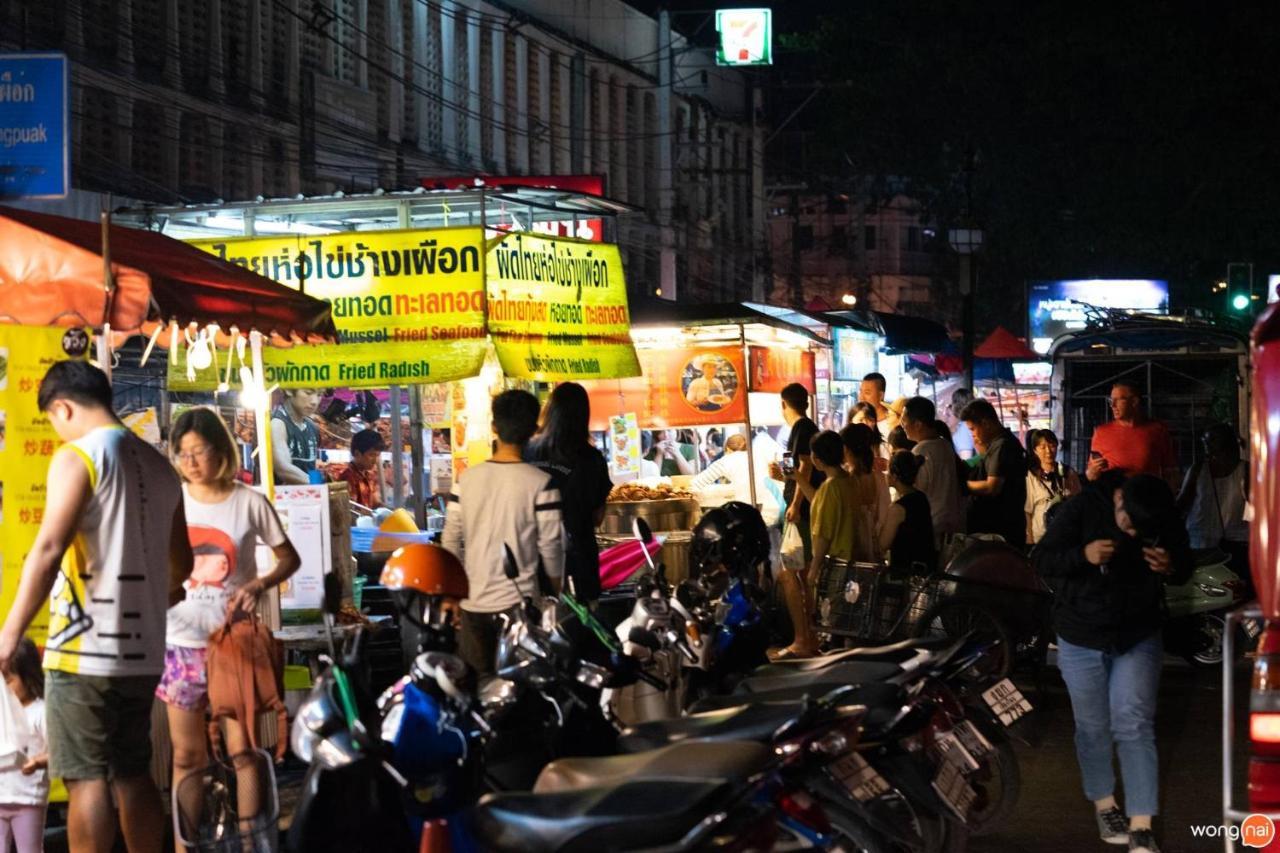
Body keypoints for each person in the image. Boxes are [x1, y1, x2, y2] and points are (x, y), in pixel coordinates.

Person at [0, 360, 193, 853]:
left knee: (86, 778)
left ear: (62, 407)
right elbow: (181, 568)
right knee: (131, 771)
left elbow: (47, 551)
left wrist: (8, 635)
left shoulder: (79, 456)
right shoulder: (159, 465)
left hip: (83, 652)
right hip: (144, 653)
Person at [1033, 473, 1192, 853]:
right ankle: (1105, 805)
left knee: (1134, 722)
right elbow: (1040, 559)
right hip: (1080, 634)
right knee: (1092, 726)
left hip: (1137, 633)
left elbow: (1185, 561)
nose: (1133, 534)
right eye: (1128, 524)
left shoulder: (1158, 510)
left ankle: (1141, 826)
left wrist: (1169, 565)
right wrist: (1082, 556)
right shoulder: (1083, 507)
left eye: (1142, 530)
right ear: (1118, 500)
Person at [160, 408, 301, 835]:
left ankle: (247, 843)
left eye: (198, 451)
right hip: (179, 641)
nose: (191, 463)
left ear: (220, 451)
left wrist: (258, 585)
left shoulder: (250, 502)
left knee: (243, 752)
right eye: (182, 455)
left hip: (232, 644)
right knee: (186, 757)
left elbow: (289, 559)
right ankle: (186, 846)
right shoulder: (172, 499)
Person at [442, 390, 564, 676]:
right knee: (519, 688)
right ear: (534, 431)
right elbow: (551, 548)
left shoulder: (466, 480)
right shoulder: (542, 484)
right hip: (519, 607)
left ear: (494, 426)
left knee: (478, 692)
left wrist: (451, 595)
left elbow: (449, 539)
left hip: (472, 604)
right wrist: (555, 592)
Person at [774, 431, 877, 658]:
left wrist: (814, 569)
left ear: (818, 460)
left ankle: (836, 664)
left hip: (835, 564)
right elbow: (817, 500)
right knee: (844, 621)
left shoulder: (832, 488)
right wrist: (797, 477)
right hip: (851, 560)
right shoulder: (846, 481)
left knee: (834, 623)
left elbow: (823, 535)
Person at [526, 382, 613, 603]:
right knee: (581, 628)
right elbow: (597, 517)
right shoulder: (592, 458)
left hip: (533, 561)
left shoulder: (527, 451)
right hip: (579, 561)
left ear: (550, 411)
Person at [1177, 423, 1249, 567]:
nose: (1209, 452)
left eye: (1213, 445)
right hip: (1200, 543)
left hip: (1235, 542)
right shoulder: (1198, 470)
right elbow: (1182, 504)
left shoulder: (1246, 471)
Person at [960, 398, 1028, 546]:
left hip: (1000, 532)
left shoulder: (1002, 446)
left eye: (973, 429)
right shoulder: (998, 444)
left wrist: (963, 486)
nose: (972, 435)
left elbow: (992, 487)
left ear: (986, 423)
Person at [0, 640, 47, 853]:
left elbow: (58, 751)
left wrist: (38, 761)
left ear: (27, 676)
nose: (4, 688)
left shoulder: (40, 712)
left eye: (8, 681)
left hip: (28, 800)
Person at [1088, 380, 1179, 490]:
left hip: (1145, 498)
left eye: (1118, 400)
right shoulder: (1101, 432)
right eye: (1111, 400)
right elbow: (1091, 474)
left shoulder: (1158, 430)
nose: (1113, 405)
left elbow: (1170, 471)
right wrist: (1091, 472)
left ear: (1134, 402)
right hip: (1111, 498)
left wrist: (1170, 500)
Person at [769, 383, 824, 564]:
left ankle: (805, 593)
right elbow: (795, 471)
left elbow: (805, 466)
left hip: (804, 510)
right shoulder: (799, 428)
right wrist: (780, 476)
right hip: (801, 506)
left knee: (801, 564)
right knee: (797, 564)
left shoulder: (803, 427)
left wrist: (796, 504)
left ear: (783, 404)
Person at [900, 397, 963, 542]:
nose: (901, 424)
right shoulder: (945, 445)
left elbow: (916, 490)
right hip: (951, 526)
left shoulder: (921, 451)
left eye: (904, 420)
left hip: (931, 527)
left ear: (918, 424)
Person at [691, 433, 784, 528]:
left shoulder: (726, 460)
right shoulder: (760, 455)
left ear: (727, 449)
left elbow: (696, 483)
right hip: (776, 511)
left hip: (751, 514)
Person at [880, 451, 937, 575]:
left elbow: (883, 545)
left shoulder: (898, 508)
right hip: (925, 571)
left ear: (894, 476)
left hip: (905, 574)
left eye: (888, 472)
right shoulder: (921, 497)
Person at [1025, 428, 1083, 545]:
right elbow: (1028, 511)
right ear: (1035, 450)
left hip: (1066, 536)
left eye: (1052, 446)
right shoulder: (1031, 476)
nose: (1048, 451)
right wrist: (1029, 540)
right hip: (1041, 538)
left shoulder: (1068, 473)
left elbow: (1079, 504)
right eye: (1042, 447)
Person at [840, 423, 891, 541]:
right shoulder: (880, 479)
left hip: (849, 546)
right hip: (874, 546)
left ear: (846, 449)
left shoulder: (845, 479)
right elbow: (884, 515)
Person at [271, 388, 322, 484]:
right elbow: (284, 470)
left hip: (308, 496)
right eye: (308, 392)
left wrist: (321, 486)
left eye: (319, 394)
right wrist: (318, 486)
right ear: (289, 390)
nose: (315, 401)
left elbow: (312, 466)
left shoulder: (312, 427)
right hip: (282, 497)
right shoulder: (277, 424)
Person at [342, 428, 386, 509]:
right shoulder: (348, 477)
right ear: (357, 454)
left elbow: (375, 502)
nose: (375, 460)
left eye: (377, 455)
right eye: (371, 455)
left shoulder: (369, 475)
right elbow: (351, 511)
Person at [860, 372, 893, 441]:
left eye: (867, 393)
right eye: (860, 392)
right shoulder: (858, 420)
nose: (861, 397)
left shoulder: (892, 423)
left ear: (881, 395)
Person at [950, 387, 977, 460]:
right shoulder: (976, 423)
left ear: (955, 405)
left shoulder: (964, 429)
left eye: (951, 405)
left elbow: (967, 460)